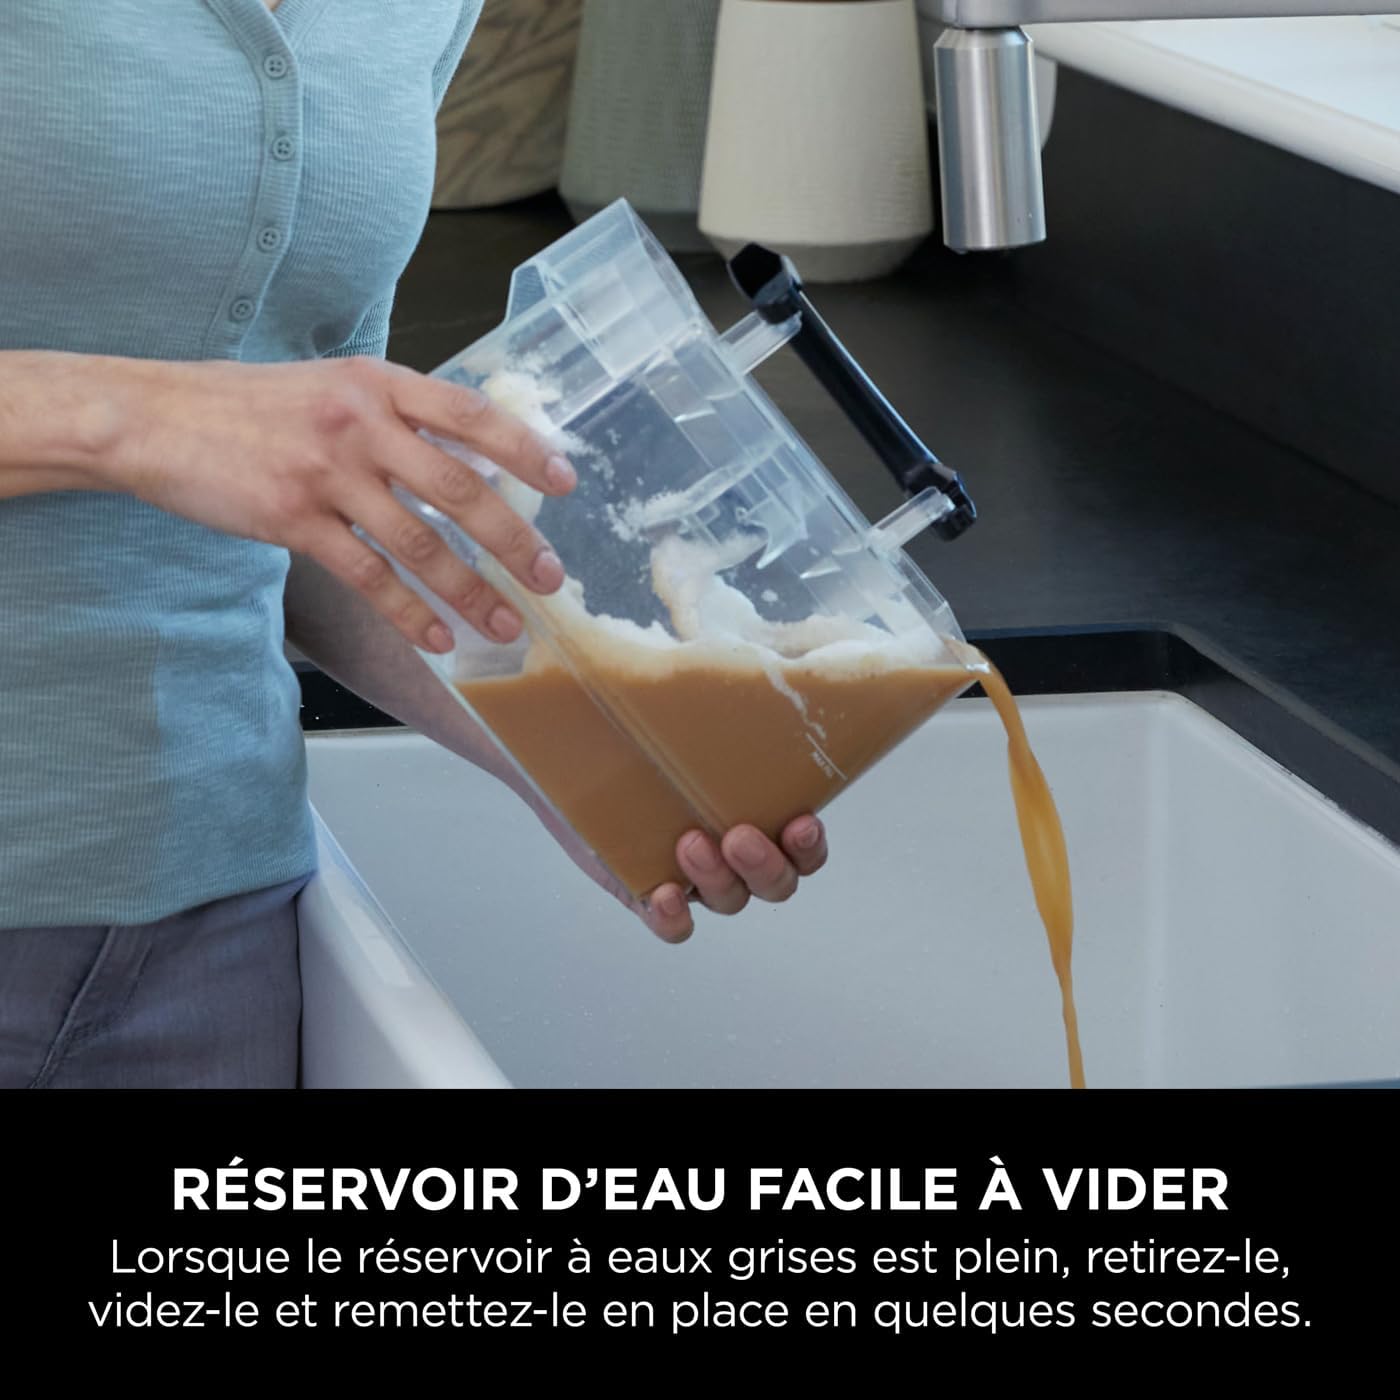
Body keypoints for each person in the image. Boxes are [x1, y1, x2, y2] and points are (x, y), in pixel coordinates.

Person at [0, 0, 828, 1090]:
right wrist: (135, 420)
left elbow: (307, 492)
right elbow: (218, 433)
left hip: (213, 922)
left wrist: (587, 760)